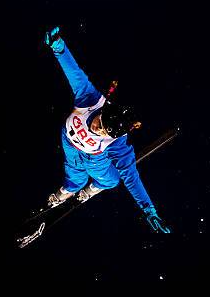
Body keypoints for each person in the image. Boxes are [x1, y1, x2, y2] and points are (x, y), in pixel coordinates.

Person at [44, 26, 170, 233]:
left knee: (113, 180)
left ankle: (93, 188)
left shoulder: (117, 143)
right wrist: (59, 47)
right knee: (76, 177)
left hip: (95, 156)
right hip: (70, 143)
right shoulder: (90, 99)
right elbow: (74, 72)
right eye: (100, 123)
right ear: (103, 112)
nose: (97, 128)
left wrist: (149, 209)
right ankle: (70, 189)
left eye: (104, 132)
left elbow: (131, 176)